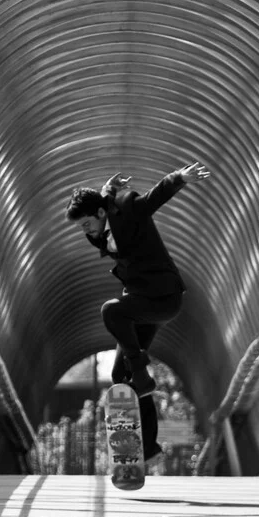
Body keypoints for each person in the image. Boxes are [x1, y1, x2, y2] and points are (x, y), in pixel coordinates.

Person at [65, 162, 211, 461]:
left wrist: (179, 178)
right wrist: (105, 190)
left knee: (111, 311)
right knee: (122, 374)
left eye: (86, 224)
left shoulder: (128, 208)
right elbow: (102, 206)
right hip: (142, 302)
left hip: (163, 298)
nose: (85, 231)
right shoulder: (99, 224)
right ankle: (149, 447)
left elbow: (152, 199)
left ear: (102, 213)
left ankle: (142, 375)